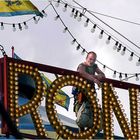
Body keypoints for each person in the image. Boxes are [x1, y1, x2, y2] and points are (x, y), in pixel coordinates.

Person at [72, 51, 105, 131]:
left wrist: (95, 77)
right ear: (86, 58)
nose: (92, 61)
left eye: (93, 60)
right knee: (80, 108)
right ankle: (81, 129)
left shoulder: (94, 66)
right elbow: (81, 72)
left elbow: (102, 75)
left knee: (92, 109)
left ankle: (89, 130)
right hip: (81, 91)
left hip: (91, 91)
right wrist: (94, 78)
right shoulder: (82, 65)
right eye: (90, 59)